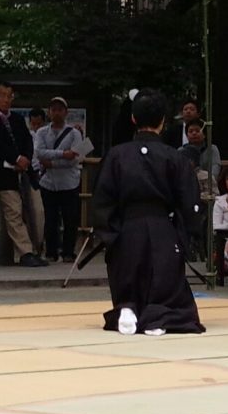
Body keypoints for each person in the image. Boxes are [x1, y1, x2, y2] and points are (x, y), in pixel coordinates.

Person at [93, 89, 205, 336]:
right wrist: (185, 235)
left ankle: (127, 309)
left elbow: (102, 199)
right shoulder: (174, 157)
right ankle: (158, 317)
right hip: (163, 229)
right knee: (167, 290)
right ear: (163, 121)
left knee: (128, 281)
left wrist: (111, 237)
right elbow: (189, 202)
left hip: (127, 230)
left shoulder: (116, 155)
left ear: (133, 118)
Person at [0, 81, 48, 267]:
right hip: (0, 171)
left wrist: (25, 158)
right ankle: (26, 252)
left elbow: (27, 141)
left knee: (38, 211)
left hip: (25, 171)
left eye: (9, 96)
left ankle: (37, 249)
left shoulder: (17, 119)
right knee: (13, 211)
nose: (6, 100)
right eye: (2, 95)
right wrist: (15, 158)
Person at [34, 97, 83, 262]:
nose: (56, 113)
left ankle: (68, 252)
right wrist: (63, 154)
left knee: (70, 219)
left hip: (70, 182)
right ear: (49, 112)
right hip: (48, 182)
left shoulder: (75, 133)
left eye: (60, 110)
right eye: (53, 109)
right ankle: (51, 251)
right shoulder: (41, 132)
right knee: (50, 219)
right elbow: (39, 153)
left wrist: (52, 162)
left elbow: (75, 158)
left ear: (66, 112)